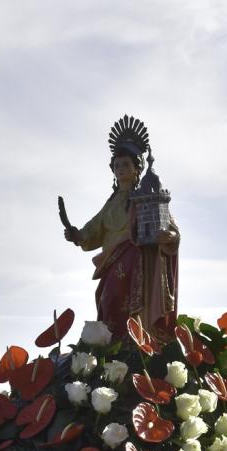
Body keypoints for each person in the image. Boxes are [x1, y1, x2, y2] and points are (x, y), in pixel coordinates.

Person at [62, 115, 180, 341]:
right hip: (111, 263)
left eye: (126, 164)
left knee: (125, 305)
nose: (120, 169)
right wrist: (77, 235)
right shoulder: (112, 202)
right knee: (107, 301)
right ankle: (113, 351)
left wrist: (168, 236)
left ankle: (134, 347)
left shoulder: (146, 197)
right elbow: (94, 228)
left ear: (137, 168)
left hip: (137, 264)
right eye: (117, 165)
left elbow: (172, 229)